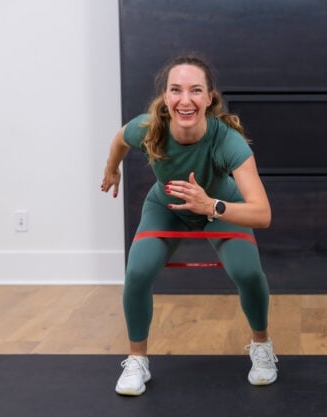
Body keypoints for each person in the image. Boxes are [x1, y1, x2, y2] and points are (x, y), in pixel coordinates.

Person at [101, 53, 278, 396]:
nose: (185, 100)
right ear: (165, 97)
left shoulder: (228, 142)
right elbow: (120, 139)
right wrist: (112, 168)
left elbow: (262, 213)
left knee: (248, 273)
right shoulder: (148, 127)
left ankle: (262, 346)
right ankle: (137, 359)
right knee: (137, 273)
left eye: (196, 90)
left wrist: (210, 205)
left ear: (210, 98)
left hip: (219, 207)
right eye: (176, 90)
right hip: (166, 206)